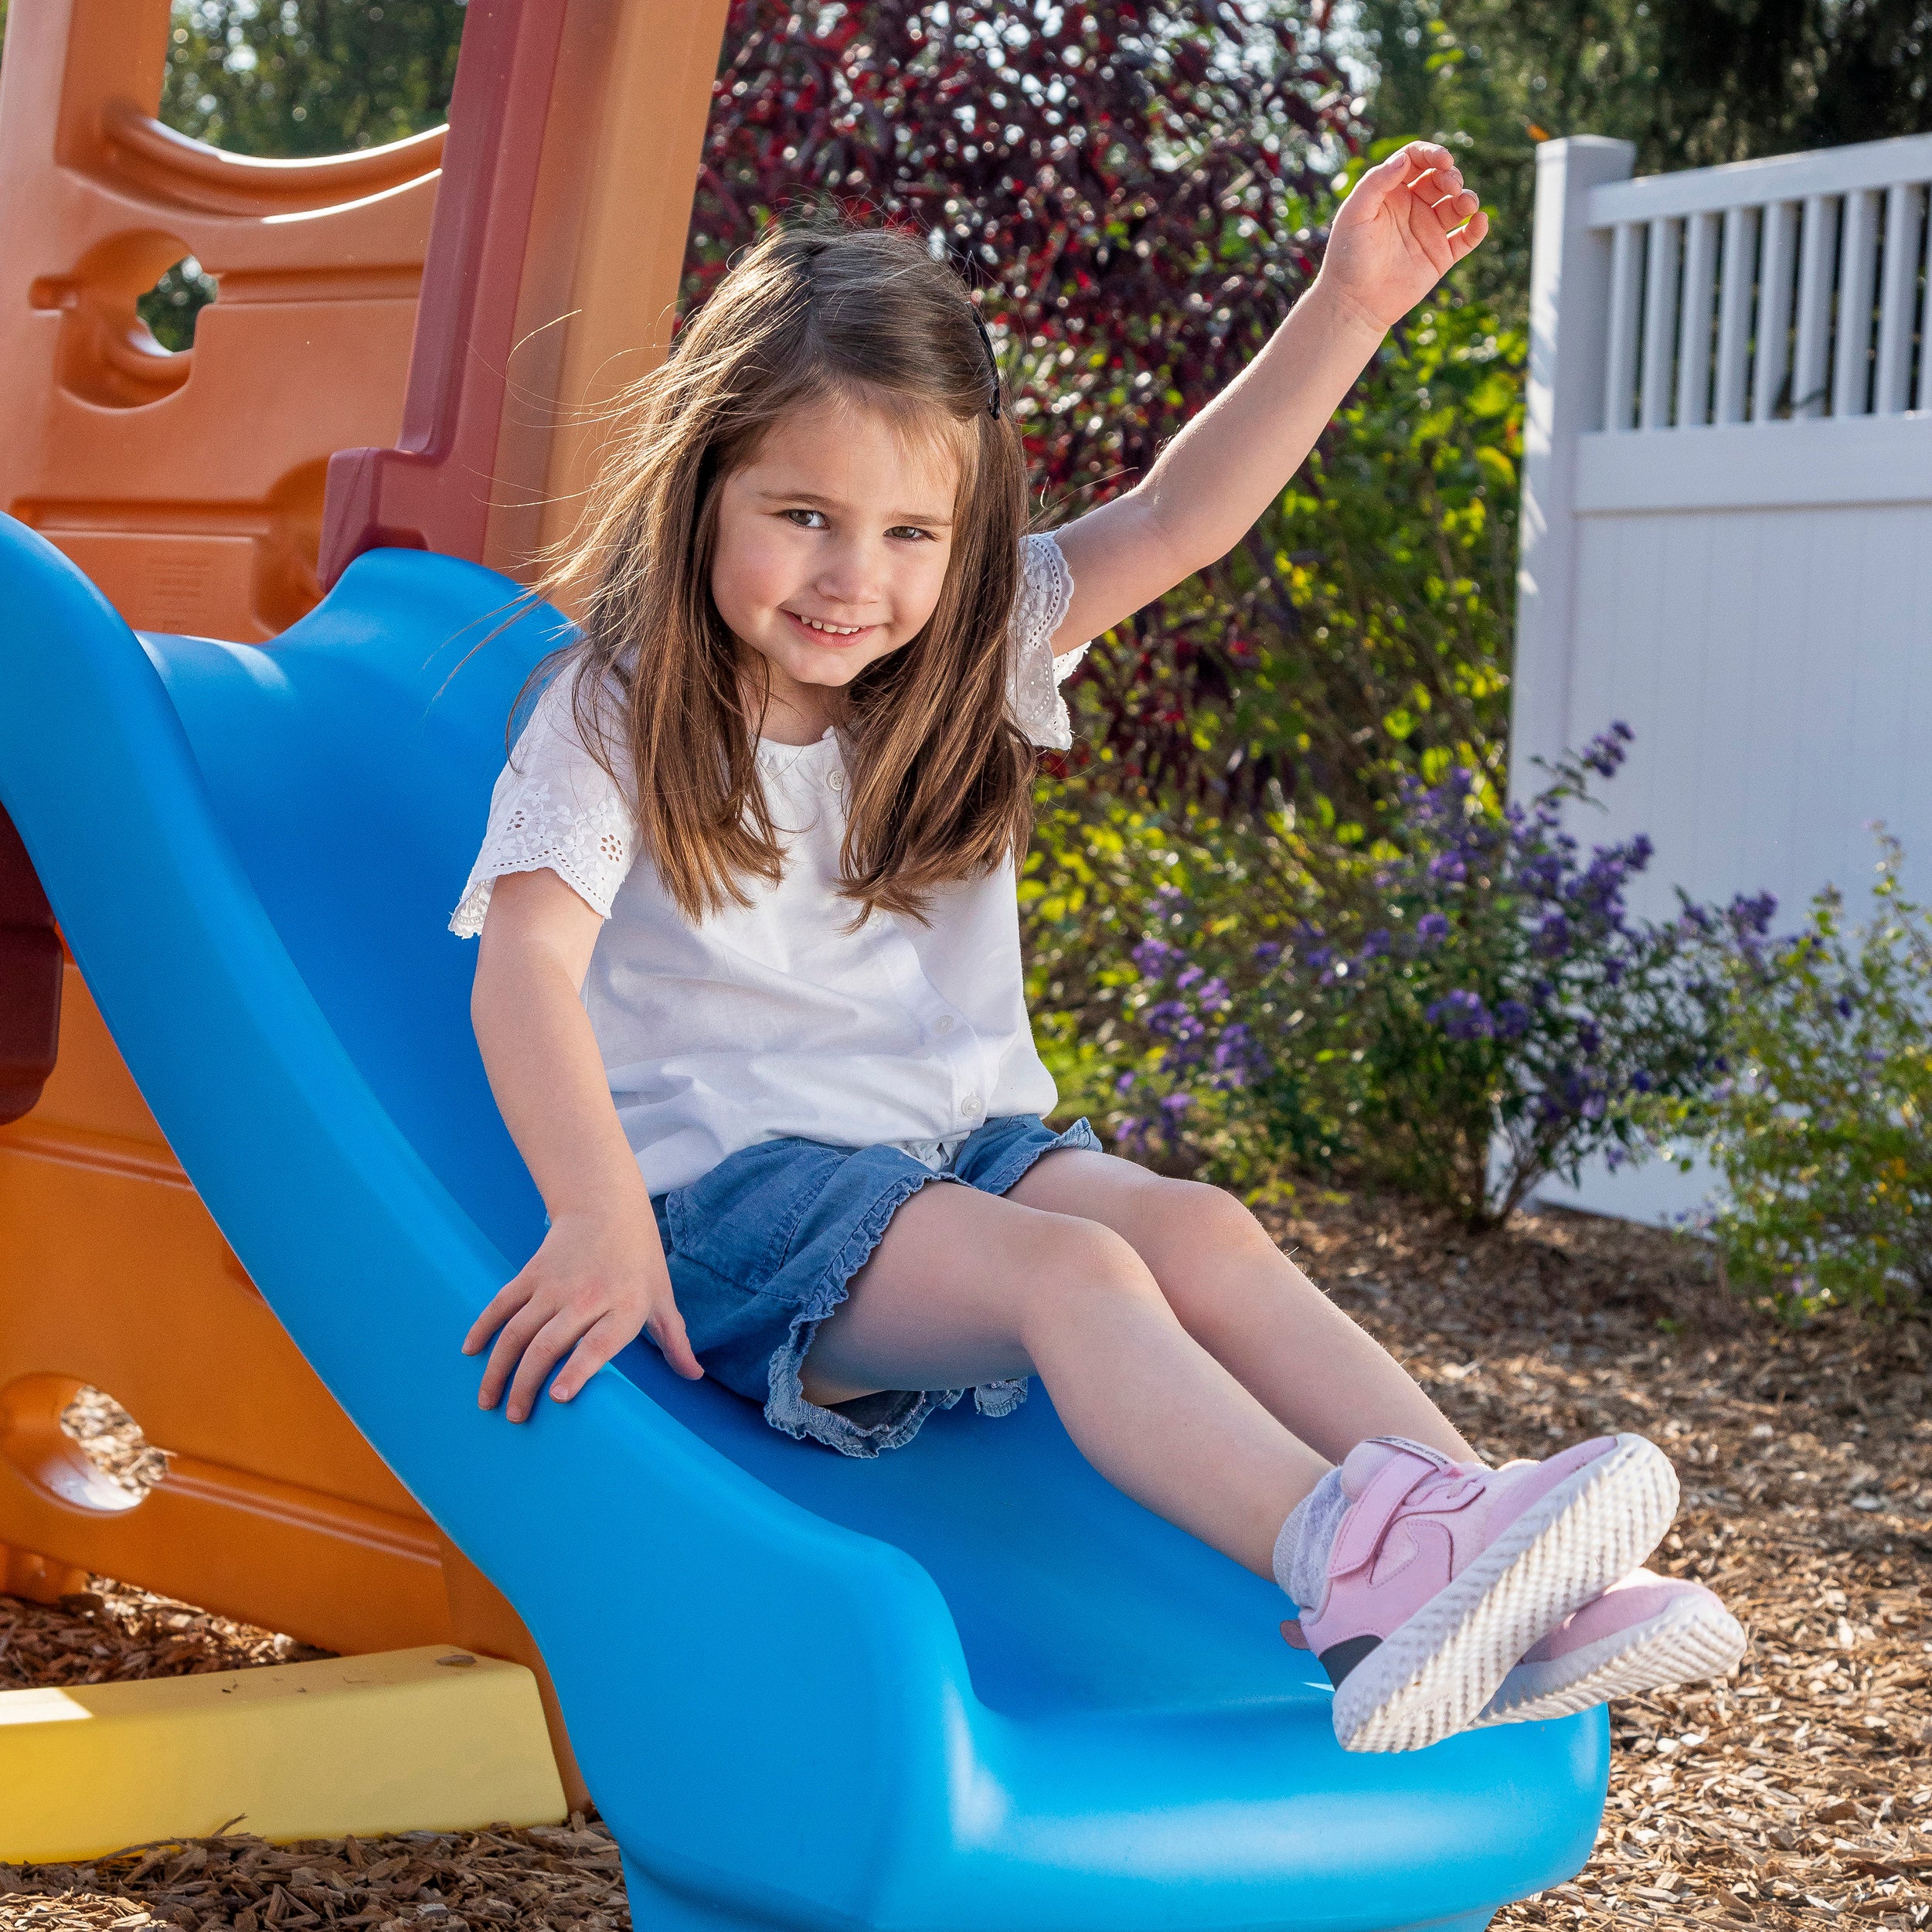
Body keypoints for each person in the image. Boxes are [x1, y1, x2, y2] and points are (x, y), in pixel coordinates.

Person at [451, 144, 1743, 1753]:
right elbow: (524, 964)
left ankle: (1497, 1564)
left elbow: (1179, 520)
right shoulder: (613, 711)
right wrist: (593, 1217)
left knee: (1195, 1227)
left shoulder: (958, 660)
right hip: (738, 1200)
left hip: (953, 1151)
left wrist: (1348, 305)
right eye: (803, 514)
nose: (859, 576)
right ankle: (1350, 1574)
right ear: (702, 478)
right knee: (1078, 1274)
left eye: (912, 532)